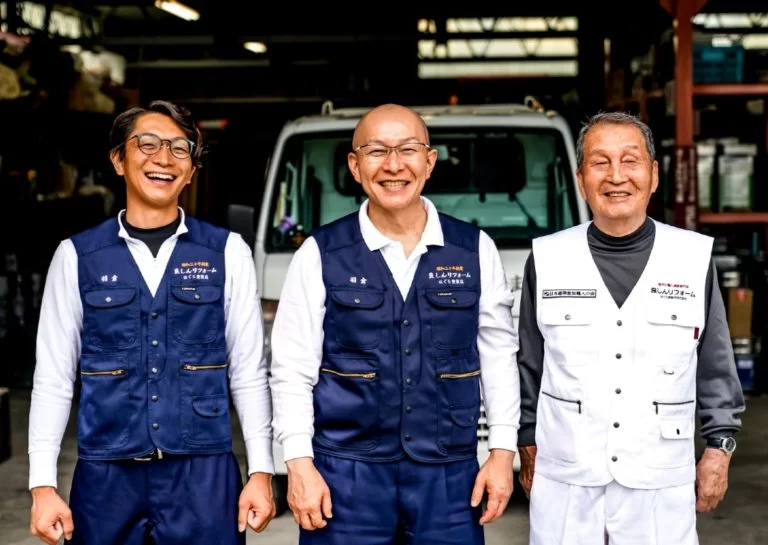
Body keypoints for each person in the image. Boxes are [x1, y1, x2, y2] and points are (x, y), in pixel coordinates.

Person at [268, 103, 521, 545]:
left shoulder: (474, 249)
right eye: (377, 151)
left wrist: (502, 452)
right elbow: (292, 368)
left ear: (430, 161)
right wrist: (299, 463)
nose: (393, 165)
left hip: (448, 476)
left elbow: (498, 358)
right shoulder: (319, 253)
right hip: (345, 475)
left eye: (407, 149)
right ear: (355, 165)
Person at [27, 100, 276, 545]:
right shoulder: (77, 256)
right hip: (106, 475)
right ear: (118, 160)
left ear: (192, 170)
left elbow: (248, 371)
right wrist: (42, 485)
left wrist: (261, 471)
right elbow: (53, 376)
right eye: (147, 144)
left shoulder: (228, 252)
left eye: (180, 149)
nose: (164, 158)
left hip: (203, 472)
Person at [516, 111, 746, 545]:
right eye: (600, 162)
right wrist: (526, 441)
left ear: (654, 175)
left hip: (659, 480)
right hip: (567, 478)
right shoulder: (548, 258)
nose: (616, 176)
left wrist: (719, 449)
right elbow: (528, 363)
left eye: (630, 160)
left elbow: (715, 366)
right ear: (580, 179)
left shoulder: (692, 258)